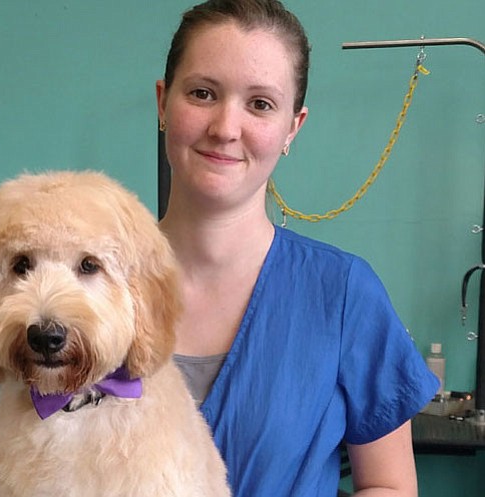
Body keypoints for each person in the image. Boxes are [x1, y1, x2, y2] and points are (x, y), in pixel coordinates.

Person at [155, 1, 439, 496]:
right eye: (202, 93)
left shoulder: (342, 294)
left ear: (292, 127)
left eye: (260, 104)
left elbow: (390, 487)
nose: (225, 127)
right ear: (163, 102)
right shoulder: (87, 280)